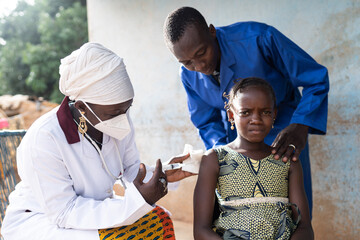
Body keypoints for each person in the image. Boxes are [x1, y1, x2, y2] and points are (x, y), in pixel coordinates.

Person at [1, 42, 193, 240]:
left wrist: (163, 173)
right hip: (42, 223)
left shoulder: (114, 119)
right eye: (115, 112)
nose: (123, 118)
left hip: (88, 215)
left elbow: (130, 171)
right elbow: (64, 212)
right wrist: (137, 201)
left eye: (126, 109)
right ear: (82, 108)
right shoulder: (45, 139)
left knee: (159, 221)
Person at [163, 6, 329, 214]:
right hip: (234, 135)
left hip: (283, 128)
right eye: (187, 62)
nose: (198, 66)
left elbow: (316, 79)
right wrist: (224, 154)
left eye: (202, 53)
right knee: (244, 211)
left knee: (291, 207)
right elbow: (206, 121)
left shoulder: (260, 39)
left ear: (211, 32)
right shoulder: (187, 75)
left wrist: (301, 126)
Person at [194, 77, 313, 240]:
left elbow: (305, 227)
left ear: (274, 115)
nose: (256, 119)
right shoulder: (215, 159)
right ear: (231, 115)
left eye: (265, 112)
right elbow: (201, 230)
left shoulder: (287, 161)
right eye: (245, 112)